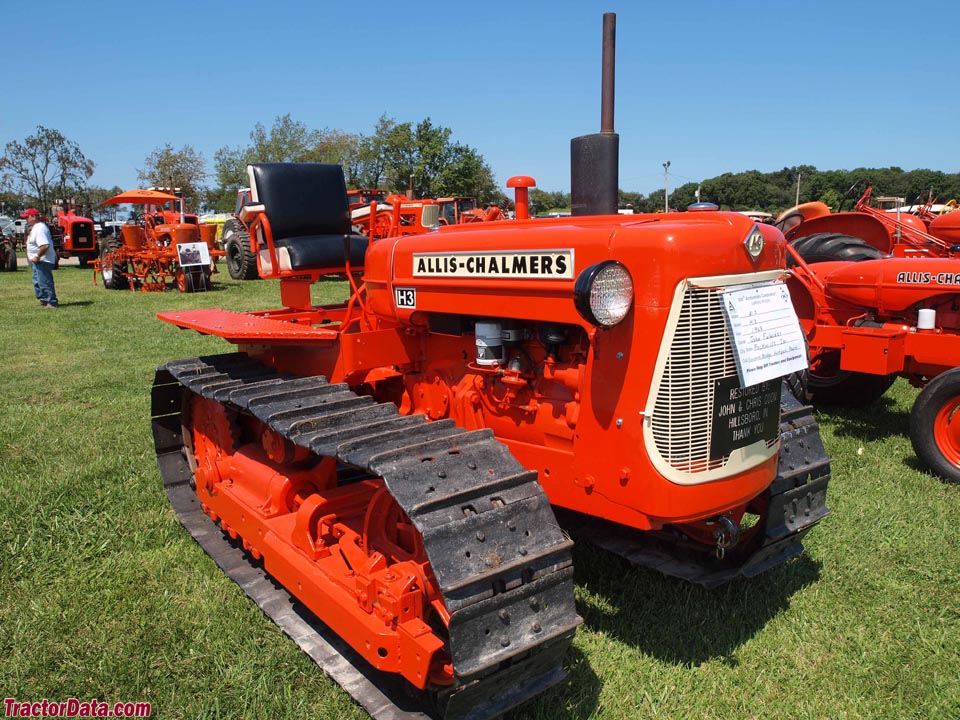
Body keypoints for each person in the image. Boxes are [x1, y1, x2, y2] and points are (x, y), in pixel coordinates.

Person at [22, 208, 59, 308]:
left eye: (27, 217)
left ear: (34, 217)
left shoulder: (40, 229)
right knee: (38, 282)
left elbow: (44, 246)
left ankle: (51, 302)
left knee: (44, 282)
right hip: (38, 260)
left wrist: (38, 256)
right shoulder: (36, 227)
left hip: (43, 260)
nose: (26, 219)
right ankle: (43, 300)